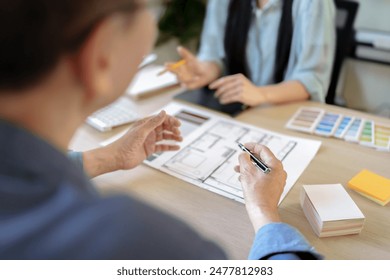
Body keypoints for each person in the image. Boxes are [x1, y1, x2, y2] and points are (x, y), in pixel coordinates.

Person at [0, 0, 319, 259]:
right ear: (100, 54)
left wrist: (107, 158)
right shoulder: (137, 241)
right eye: (149, 8)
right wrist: (264, 211)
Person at [168, 0, 336, 107]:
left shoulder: (313, 3)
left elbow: (312, 79)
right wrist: (207, 70)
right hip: (239, 111)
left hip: (284, 110)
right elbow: (215, 55)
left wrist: (261, 94)